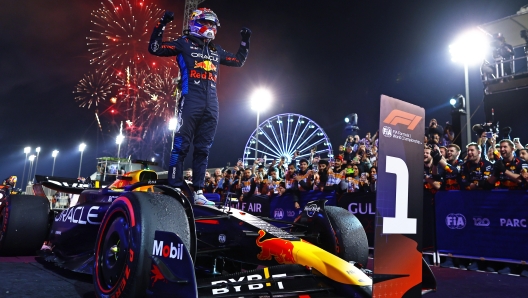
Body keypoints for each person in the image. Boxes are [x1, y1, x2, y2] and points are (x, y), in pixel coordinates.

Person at [149, 8, 251, 205]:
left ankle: (198, 192)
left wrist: (245, 41)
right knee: (181, 145)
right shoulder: (184, 43)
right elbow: (154, 48)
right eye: (209, 23)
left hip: (212, 104)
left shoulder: (215, 50)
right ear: (197, 23)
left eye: (214, 25)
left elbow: (238, 61)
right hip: (190, 100)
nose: (212, 28)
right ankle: (175, 187)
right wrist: (161, 24)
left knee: (203, 149)